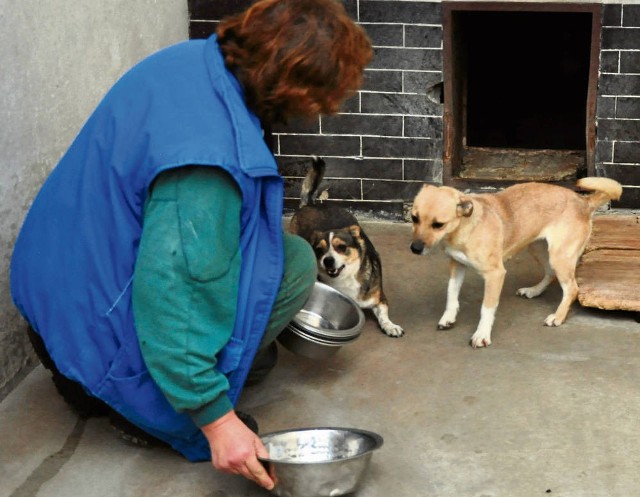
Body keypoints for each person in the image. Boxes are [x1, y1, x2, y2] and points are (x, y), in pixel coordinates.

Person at [10, 0, 372, 490]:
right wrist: (216, 420)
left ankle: (118, 377)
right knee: (290, 266)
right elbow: (172, 300)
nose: (324, 112)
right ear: (293, 88)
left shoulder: (194, 62)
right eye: (322, 101)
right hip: (90, 333)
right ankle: (129, 405)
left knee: (282, 254)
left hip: (55, 292)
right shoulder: (207, 167)